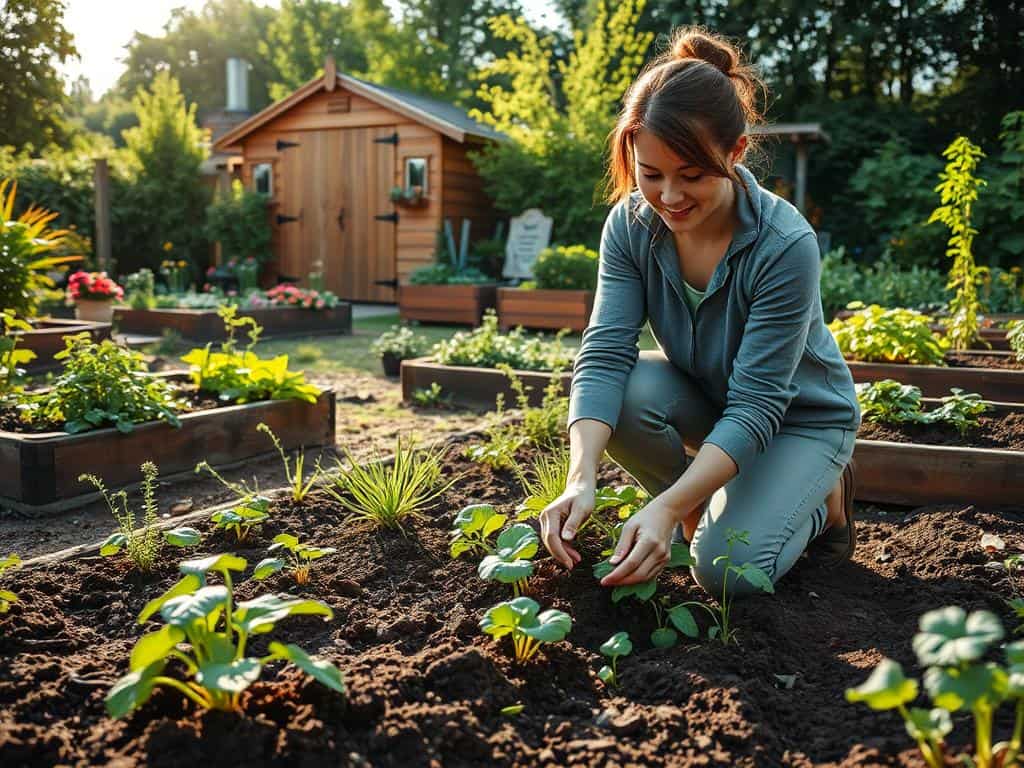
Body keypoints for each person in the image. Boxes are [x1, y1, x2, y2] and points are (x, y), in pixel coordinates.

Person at [539, 26, 862, 598]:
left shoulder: (784, 244)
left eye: (691, 175)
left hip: (798, 418)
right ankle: (698, 515)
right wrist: (579, 476)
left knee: (723, 574)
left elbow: (759, 404)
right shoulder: (632, 226)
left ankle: (825, 503)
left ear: (735, 153)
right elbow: (604, 353)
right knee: (628, 388)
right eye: (650, 173)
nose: (667, 197)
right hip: (715, 402)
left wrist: (661, 505)